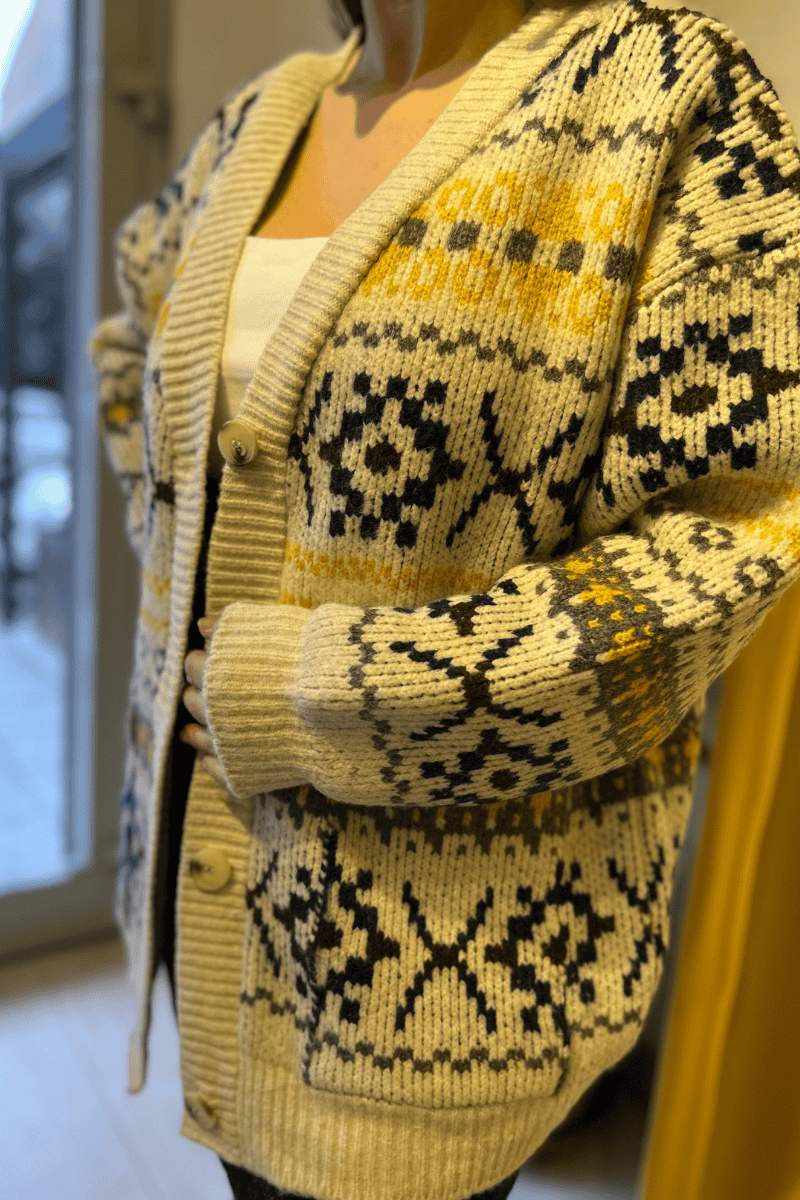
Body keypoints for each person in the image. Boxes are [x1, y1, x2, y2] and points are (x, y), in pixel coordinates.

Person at [90, 0, 800, 1196]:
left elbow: (731, 531)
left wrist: (322, 693)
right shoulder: (256, 121)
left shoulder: (666, 94)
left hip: (434, 994)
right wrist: (172, 552)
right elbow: (129, 351)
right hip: (202, 895)